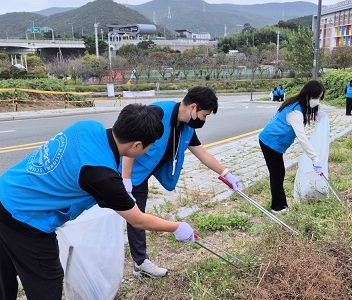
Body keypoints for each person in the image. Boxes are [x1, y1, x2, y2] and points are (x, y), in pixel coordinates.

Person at [0, 103, 196, 300]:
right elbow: (138, 220)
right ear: (137, 146)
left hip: (1, 192)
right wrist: (177, 227)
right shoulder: (101, 175)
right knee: (47, 277)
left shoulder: (90, 127)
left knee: (5, 268)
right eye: (149, 146)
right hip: (22, 214)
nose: (149, 151)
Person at [122, 86, 242, 278]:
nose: (203, 120)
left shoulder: (186, 127)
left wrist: (226, 173)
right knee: (116, 215)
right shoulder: (157, 113)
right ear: (193, 107)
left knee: (137, 216)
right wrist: (125, 179)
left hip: (141, 176)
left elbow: (202, 152)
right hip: (126, 172)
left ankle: (140, 262)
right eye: (204, 115)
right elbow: (130, 142)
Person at [258, 80, 325, 213]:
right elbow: (302, 138)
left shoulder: (299, 103)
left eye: (319, 98)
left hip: (275, 142)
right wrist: (315, 159)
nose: (317, 101)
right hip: (270, 142)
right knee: (277, 173)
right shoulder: (295, 111)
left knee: (278, 173)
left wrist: (314, 116)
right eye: (316, 97)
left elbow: (302, 119)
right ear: (308, 94)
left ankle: (279, 204)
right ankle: (278, 206)